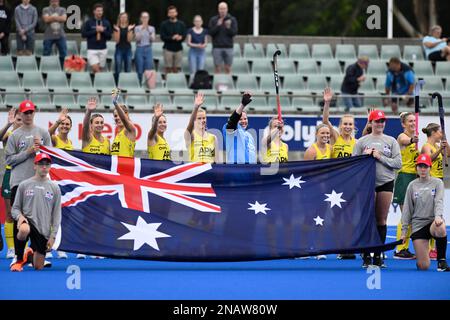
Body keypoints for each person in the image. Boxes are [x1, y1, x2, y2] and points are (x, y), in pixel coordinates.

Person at [5, 100, 52, 267]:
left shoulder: (43, 132)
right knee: (20, 220)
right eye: (25, 113)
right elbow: (9, 160)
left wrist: (42, 149)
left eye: (31, 112)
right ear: (20, 114)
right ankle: (18, 256)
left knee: (39, 219)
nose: (28, 115)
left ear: (35, 112)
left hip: (39, 182)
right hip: (19, 182)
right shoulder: (15, 136)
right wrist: (28, 152)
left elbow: (50, 157)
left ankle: (34, 252)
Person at [353, 110, 402, 268]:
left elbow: (398, 163)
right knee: (368, 219)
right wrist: (365, 157)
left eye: (382, 121)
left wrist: (380, 156)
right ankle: (366, 255)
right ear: (371, 123)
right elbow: (354, 164)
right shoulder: (361, 141)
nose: (380, 124)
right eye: (376, 121)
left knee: (381, 220)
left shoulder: (391, 140)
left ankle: (378, 256)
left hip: (386, 182)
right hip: (367, 183)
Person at [9, 153, 61, 272]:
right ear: (35, 166)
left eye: (47, 164)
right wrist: (20, 217)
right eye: (41, 164)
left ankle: (29, 255)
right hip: (27, 222)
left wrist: (53, 237)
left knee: (38, 267)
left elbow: (57, 214)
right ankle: (19, 258)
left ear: (50, 167)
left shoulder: (55, 188)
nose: (44, 167)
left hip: (43, 230)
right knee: (24, 230)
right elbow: (15, 208)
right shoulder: (24, 185)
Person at [322, 87, 358, 259]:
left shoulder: (356, 142)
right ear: (341, 125)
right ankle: (339, 246)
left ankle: (348, 247)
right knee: (337, 216)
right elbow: (325, 120)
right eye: (345, 124)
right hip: (336, 183)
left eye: (350, 124)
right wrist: (327, 103)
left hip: (351, 183)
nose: (348, 126)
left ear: (353, 126)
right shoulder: (336, 137)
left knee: (350, 216)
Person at [401, 153, 450, 272]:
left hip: (433, 222)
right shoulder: (412, 185)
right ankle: (423, 256)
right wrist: (404, 231)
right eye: (420, 166)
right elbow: (407, 209)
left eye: (425, 166)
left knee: (441, 227)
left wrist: (438, 217)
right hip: (418, 226)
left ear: (430, 168)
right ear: (416, 168)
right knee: (423, 266)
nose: (423, 169)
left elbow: (439, 201)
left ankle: (441, 261)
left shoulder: (437, 183)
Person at [421, 123, 450, 260]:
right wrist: (439, 151)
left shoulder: (438, 146)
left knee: (436, 214)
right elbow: (427, 160)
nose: (441, 134)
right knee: (430, 215)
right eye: (440, 132)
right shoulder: (427, 146)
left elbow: (449, 155)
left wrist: (445, 145)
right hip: (429, 182)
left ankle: (433, 248)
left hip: (439, 181)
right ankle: (429, 248)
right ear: (433, 132)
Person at [392, 112, 419, 260]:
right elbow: (405, 140)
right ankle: (400, 249)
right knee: (406, 215)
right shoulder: (402, 137)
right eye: (410, 121)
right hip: (404, 177)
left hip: (414, 178)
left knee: (412, 215)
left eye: (414, 121)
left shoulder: (415, 141)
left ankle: (404, 247)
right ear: (403, 124)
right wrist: (411, 140)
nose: (413, 123)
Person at [0, 108, 22, 259]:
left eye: (21, 119)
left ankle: (24, 249)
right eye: (17, 119)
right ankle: (11, 249)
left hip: (26, 175)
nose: (19, 122)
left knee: (25, 213)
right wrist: (8, 124)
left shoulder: (31, 134)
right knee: (9, 214)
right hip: (10, 174)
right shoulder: (9, 135)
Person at [222, 92, 256, 164]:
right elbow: (232, 122)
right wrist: (242, 105)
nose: (243, 121)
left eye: (245, 119)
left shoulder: (250, 136)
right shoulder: (229, 129)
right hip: (236, 169)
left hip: (250, 171)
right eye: (240, 119)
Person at [184, 92, 218, 163]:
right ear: (194, 120)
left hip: (209, 172)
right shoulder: (191, 135)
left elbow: (216, 161)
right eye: (199, 118)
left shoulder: (213, 137)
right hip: (195, 171)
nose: (202, 120)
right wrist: (196, 107)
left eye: (204, 118)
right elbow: (190, 126)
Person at [81, 3, 112, 73]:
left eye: (101, 11)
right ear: (94, 11)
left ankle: (96, 83)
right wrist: (95, 31)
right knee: (96, 68)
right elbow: (83, 35)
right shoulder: (88, 22)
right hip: (92, 49)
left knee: (98, 70)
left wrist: (103, 30)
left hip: (103, 49)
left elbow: (109, 36)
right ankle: (103, 82)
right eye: (98, 11)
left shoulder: (106, 22)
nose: (100, 12)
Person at [208, 2, 238, 74]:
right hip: (217, 47)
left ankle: (229, 84)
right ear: (218, 9)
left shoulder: (232, 19)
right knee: (217, 68)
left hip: (228, 47)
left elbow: (234, 33)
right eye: (221, 9)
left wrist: (228, 28)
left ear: (227, 9)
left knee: (228, 68)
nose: (222, 10)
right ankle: (217, 84)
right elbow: (210, 33)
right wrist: (218, 25)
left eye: (224, 8)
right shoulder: (213, 20)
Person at [160, 5, 186, 74]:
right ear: (168, 14)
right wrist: (172, 37)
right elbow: (162, 37)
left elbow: (184, 35)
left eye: (173, 12)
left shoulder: (181, 24)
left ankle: (175, 83)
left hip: (178, 49)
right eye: (170, 12)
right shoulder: (164, 24)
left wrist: (181, 37)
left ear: (176, 13)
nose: (172, 14)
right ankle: (168, 83)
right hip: (168, 49)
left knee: (177, 69)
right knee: (168, 69)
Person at [42, 0, 67, 67]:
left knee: (63, 54)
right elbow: (46, 20)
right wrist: (58, 18)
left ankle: (62, 70)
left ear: (58, 1)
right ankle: (45, 69)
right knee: (46, 53)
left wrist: (51, 17)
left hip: (60, 35)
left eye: (56, 1)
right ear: (50, 1)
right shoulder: (45, 9)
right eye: (53, 1)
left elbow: (64, 19)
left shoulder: (62, 9)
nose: (54, 2)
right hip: (48, 35)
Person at [134, 11, 155, 85]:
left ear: (148, 18)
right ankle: (139, 84)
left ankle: (147, 85)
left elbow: (152, 39)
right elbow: (137, 39)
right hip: (139, 48)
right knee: (139, 69)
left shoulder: (152, 28)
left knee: (148, 68)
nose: (145, 19)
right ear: (141, 18)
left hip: (148, 48)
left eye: (146, 17)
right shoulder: (137, 28)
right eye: (143, 17)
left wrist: (148, 30)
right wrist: (142, 30)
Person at [113, 12, 134, 83]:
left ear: (127, 19)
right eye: (122, 17)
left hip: (128, 50)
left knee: (128, 69)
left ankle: (126, 87)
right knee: (117, 69)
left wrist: (129, 30)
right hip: (119, 49)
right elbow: (117, 41)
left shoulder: (130, 28)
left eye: (125, 17)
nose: (123, 18)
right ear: (119, 18)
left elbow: (129, 40)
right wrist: (118, 31)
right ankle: (116, 90)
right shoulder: (116, 28)